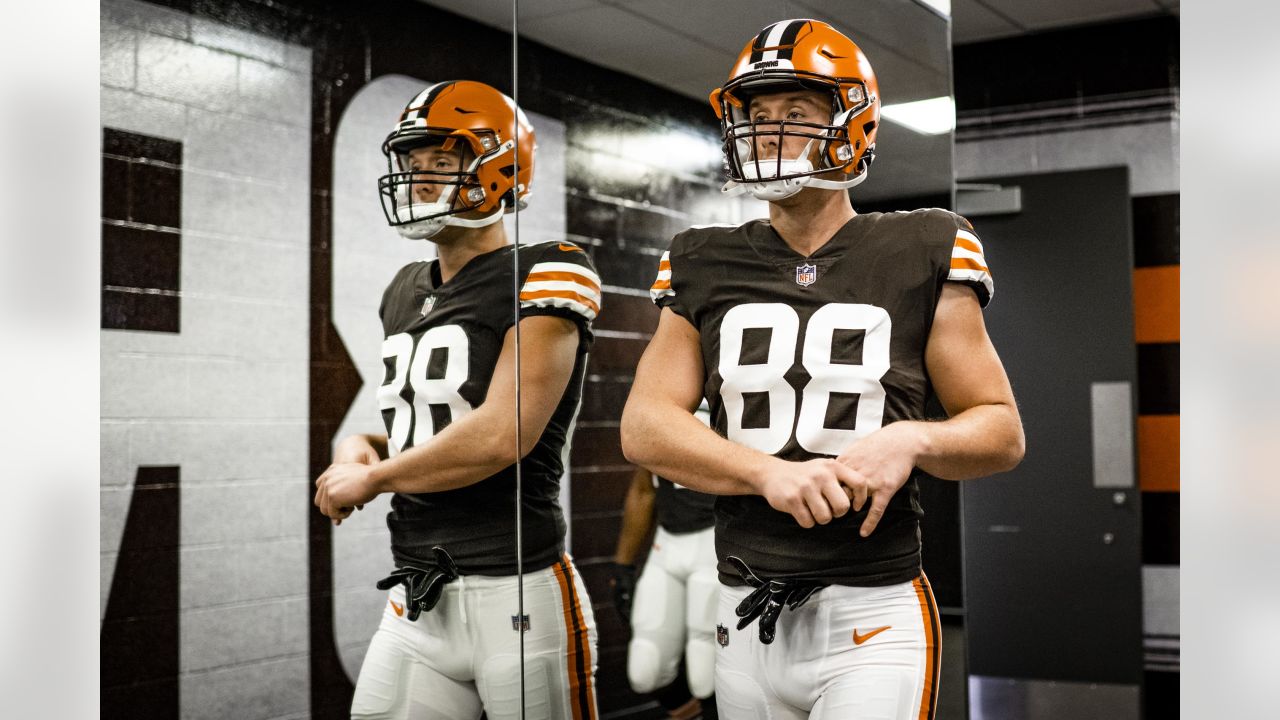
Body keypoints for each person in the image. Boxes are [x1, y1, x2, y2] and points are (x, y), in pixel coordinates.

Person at [619, 19, 1025, 720]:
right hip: (742, 603)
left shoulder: (925, 243)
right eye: (758, 116)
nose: (768, 134)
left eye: (795, 115)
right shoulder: (699, 257)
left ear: (851, 124)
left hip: (871, 608)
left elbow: (1001, 432)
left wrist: (914, 439)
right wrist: (766, 472)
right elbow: (646, 426)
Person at [314, 80, 601, 720]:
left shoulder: (549, 269)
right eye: (413, 165)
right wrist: (360, 444)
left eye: (442, 161)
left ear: (500, 166)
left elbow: (503, 433)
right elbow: (430, 422)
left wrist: (375, 478)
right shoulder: (402, 287)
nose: (419, 179)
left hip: (517, 585)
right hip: (417, 591)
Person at [610, 404, 719, 720]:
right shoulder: (661, 401)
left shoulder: (730, 391)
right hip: (668, 541)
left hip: (717, 540)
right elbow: (645, 489)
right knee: (646, 668)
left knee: (706, 672)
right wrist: (623, 564)